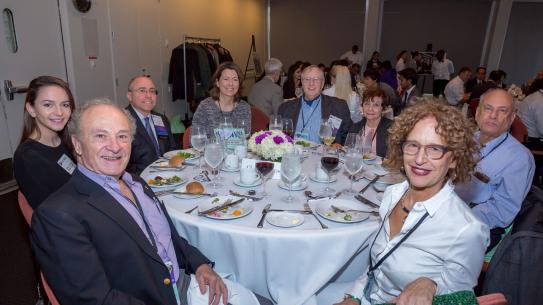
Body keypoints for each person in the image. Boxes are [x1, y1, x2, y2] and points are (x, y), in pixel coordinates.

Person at [31, 99, 270, 305]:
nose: (114, 147)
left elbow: (167, 238)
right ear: (77, 144)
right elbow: (94, 299)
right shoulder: (59, 214)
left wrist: (200, 265)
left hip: (186, 283)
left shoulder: (136, 183)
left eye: (122, 136)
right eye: (100, 136)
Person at [332, 100, 489, 305]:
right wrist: (354, 296)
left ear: (454, 159)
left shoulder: (466, 229)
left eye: (434, 149)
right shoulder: (392, 195)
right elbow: (376, 266)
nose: (419, 159)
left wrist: (431, 284)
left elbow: (459, 299)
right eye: (413, 145)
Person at [456, 89, 535, 251]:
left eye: (502, 111)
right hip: (449, 210)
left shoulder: (520, 158)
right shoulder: (464, 140)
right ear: (478, 112)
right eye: (488, 108)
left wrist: (453, 217)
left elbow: (502, 210)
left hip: (480, 227)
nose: (493, 115)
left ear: (512, 118)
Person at [14, 76, 76, 210]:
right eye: (48, 105)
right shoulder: (28, 158)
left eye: (65, 105)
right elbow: (51, 213)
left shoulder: (65, 140)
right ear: (31, 109)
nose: (59, 112)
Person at [278, 65, 352, 144]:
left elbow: (348, 137)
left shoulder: (339, 107)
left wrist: (338, 145)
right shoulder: (285, 108)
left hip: (324, 155)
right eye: (307, 79)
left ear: (322, 83)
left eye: (316, 79)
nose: (311, 83)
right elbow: (277, 137)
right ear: (302, 83)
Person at [125, 75, 177, 175]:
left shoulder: (161, 119)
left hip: (168, 175)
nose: (148, 95)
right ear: (129, 96)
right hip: (139, 180)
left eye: (152, 91)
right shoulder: (122, 121)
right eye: (142, 90)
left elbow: (172, 148)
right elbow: (123, 164)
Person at [192, 62, 251, 139]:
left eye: (235, 79)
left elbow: (246, 138)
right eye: (226, 79)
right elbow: (195, 138)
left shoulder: (244, 108)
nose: (230, 83)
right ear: (217, 82)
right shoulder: (205, 107)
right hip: (210, 151)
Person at [347, 88, 392, 158]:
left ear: (383, 109)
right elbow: (348, 151)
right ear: (362, 106)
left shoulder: (391, 129)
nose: (370, 109)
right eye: (367, 104)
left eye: (376, 105)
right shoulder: (355, 128)